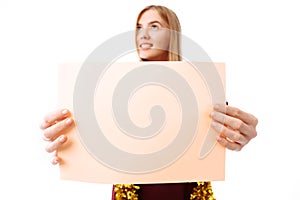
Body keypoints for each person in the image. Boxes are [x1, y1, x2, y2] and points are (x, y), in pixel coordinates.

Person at [40, 5, 258, 200]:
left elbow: (221, 135)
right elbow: (93, 138)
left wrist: (239, 134)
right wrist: (68, 145)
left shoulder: (202, 89)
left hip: (184, 193)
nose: (143, 34)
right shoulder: (113, 89)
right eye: (138, 28)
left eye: (154, 26)